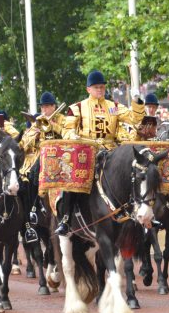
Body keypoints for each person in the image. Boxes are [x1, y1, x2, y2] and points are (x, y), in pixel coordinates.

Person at [54, 70, 145, 235]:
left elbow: (135, 119)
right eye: (96, 87)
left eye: (102, 87)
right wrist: (73, 136)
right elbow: (67, 130)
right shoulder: (78, 108)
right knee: (73, 179)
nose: (100, 90)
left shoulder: (114, 107)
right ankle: (66, 219)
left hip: (111, 151)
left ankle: (138, 212)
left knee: (135, 173)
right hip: (86, 150)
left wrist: (137, 101)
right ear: (88, 89)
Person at [19, 91, 63, 242]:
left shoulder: (62, 119)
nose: (44, 110)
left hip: (61, 155)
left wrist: (54, 126)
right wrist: (34, 134)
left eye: (47, 107)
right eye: (42, 107)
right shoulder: (38, 121)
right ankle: (33, 209)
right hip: (44, 156)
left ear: (54, 106)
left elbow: (69, 134)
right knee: (32, 174)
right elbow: (23, 144)